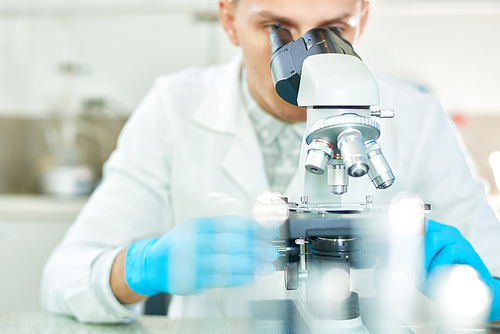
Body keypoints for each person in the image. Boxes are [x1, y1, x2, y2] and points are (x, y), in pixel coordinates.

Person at [42, 0, 500, 323]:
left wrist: (487, 293)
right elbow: (60, 280)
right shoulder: (174, 106)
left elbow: (492, 268)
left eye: (332, 32)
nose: (303, 60)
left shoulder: (419, 115)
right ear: (227, 18)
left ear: (363, 14)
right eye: (275, 28)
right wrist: (140, 267)